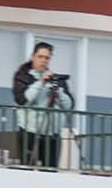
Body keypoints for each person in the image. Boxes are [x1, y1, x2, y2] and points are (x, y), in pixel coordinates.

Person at [12, 41, 75, 169]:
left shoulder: (55, 80)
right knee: (26, 171)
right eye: (40, 56)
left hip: (51, 134)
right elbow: (22, 100)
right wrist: (41, 82)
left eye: (47, 57)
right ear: (33, 57)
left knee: (50, 172)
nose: (43, 60)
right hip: (29, 132)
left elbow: (69, 105)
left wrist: (58, 92)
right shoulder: (22, 77)